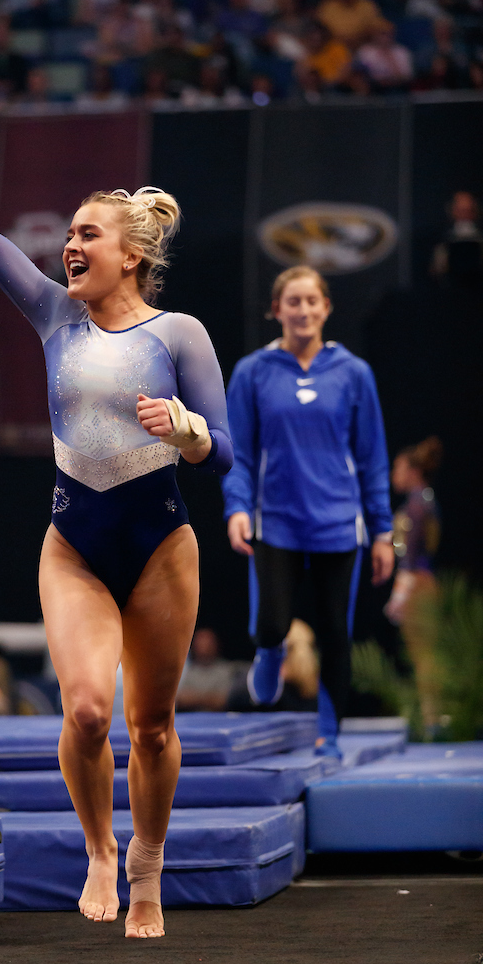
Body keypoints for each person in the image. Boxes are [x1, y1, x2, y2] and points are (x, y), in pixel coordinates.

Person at [0, 94, 233, 938]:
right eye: (69, 234)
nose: (70, 246)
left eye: (88, 235)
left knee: (152, 728)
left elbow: (224, 455)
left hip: (161, 546)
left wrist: (187, 431)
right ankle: (101, 849)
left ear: (132, 256)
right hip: (74, 543)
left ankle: (148, 865)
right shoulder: (53, 316)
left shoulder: (180, 334)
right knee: (85, 711)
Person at [222, 265, 394, 759]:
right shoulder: (253, 372)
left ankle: (329, 734)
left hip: (338, 523)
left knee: (335, 632)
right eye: (293, 302)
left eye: (311, 301)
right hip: (275, 519)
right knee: (272, 625)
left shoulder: (353, 373)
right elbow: (238, 452)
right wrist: (237, 507)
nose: (303, 310)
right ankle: (269, 652)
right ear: (276, 310)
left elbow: (372, 457)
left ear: (326, 308)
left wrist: (382, 531)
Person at [385, 436, 443, 731]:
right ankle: (431, 718)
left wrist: (400, 592)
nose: (393, 474)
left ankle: (434, 720)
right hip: (420, 582)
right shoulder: (420, 501)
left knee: (425, 656)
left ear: (413, 471)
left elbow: (410, 556)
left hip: (418, 583)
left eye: (397, 468)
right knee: (421, 655)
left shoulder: (419, 504)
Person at [176, 628, 247, 712]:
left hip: (219, 718)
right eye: (201, 643)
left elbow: (223, 701)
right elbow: (178, 700)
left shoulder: (226, 670)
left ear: (216, 645)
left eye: (209, 643)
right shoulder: (186, 670)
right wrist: (209, 698)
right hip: (189, 718)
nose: (205, 647)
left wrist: (195, 697)